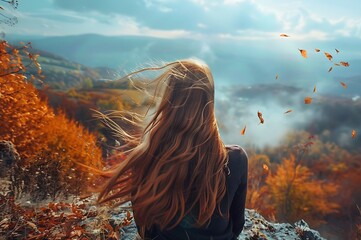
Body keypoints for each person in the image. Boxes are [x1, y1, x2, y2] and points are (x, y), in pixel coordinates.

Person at [97, 59, 248, 240]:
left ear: (169, 100)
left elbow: (144, 228)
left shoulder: (148, 155)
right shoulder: (236, 159)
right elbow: (237, 226)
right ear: (209, 102)